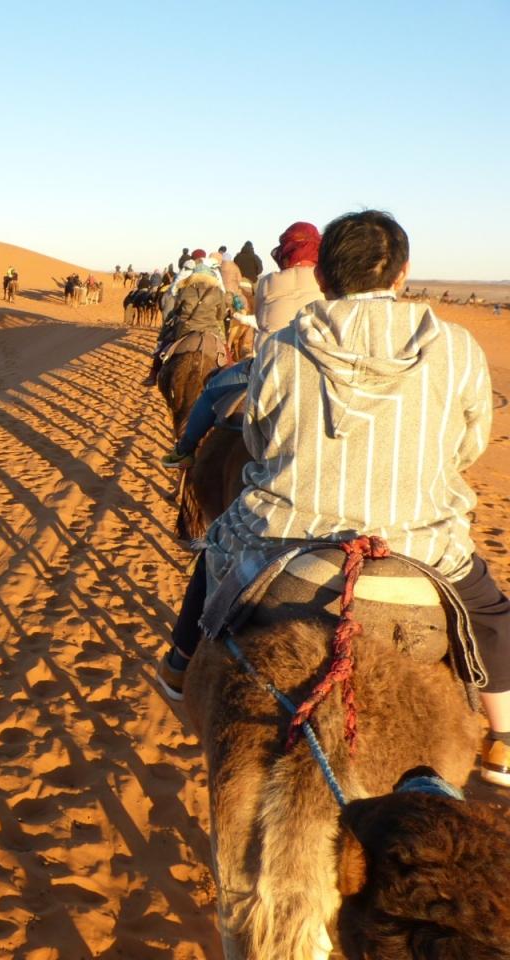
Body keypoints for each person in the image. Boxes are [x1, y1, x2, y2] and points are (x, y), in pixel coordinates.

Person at [157, 211, 510, 789]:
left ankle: (179, 663)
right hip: (420, 541)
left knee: (215, 553)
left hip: (286, 532)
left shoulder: (283, 347)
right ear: (402, 273)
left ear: (323, 278)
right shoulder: (457, 347)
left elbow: (259, 440)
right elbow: (469, 444)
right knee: (491, 613)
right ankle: (503, 740)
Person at [160, 222, 324, 468]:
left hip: (269, 364)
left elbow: (263, 320)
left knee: (210, 391)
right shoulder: (327, 283)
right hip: (317, 365)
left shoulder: (267, 282)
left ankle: (185, 450)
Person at [142, 260, 228, 386]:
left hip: (185, 329)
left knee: (165, 344)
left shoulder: (184, 290)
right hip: (210, 329)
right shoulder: (218, 292)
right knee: (225, 350)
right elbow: (220, 315)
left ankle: (153, 375)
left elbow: (176, 310)